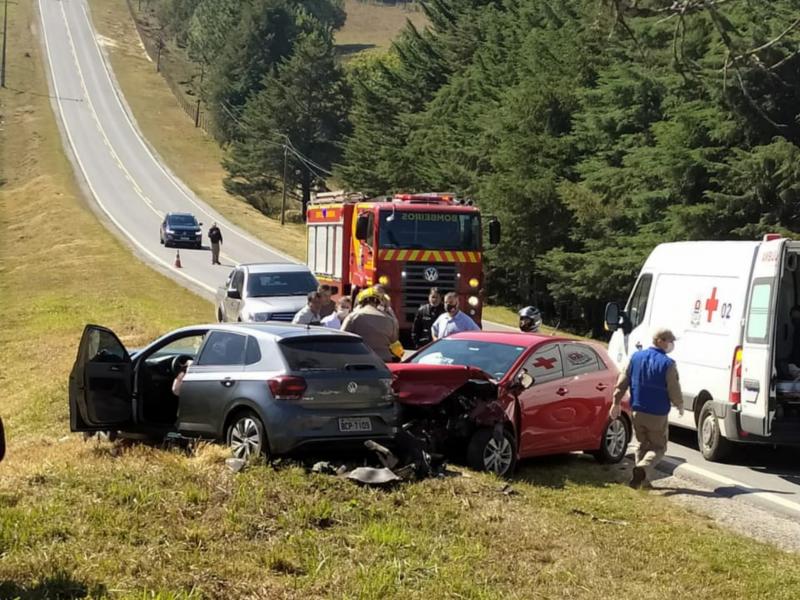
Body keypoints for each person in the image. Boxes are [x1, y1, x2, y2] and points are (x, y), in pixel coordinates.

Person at [610, 327, 684, 489]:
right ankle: (643, 468)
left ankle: (642, 480)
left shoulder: (636, 357)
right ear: (660, 341)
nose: (671, 344)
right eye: (670, 341)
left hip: (637, 409)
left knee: (642, 444)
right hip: (657, 413)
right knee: (658, 447)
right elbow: (673, 388)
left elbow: (622, 381)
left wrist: (615, 401)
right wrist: (679, 404)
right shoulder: (668, 364)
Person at [342, 287, 399, 362]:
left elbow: (342, 338)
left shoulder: (353, 317)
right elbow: (394, 342)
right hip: (384, 362)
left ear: (361, 302)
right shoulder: (389, 319)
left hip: (359, 360)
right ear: (378, 302)